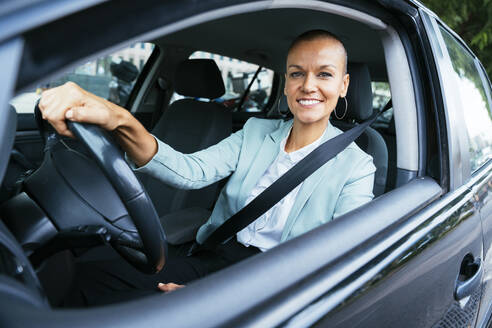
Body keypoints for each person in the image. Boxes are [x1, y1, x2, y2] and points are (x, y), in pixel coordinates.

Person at [39, 30, 376, 306]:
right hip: (215, 258)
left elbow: (337, 262)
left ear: (343, 85)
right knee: (85, 281)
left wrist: (223, 300)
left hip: (279, 283)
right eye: (297, 73)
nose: (308, 86)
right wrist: (119, 119)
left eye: (325, 75)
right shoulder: (255, 131)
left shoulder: (358, 166)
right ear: (286, 82)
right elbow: (190, 170)